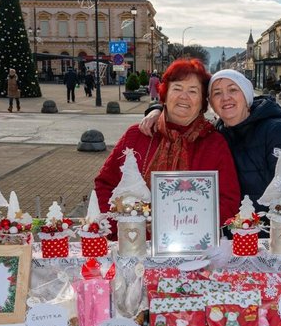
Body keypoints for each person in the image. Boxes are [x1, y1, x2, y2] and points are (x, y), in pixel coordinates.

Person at [95, 58, 241, 227]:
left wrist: (189, 227)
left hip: (192, 246)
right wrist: (121, 227)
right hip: (134, 242)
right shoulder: (137, 135)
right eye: (177, 88)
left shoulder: (214, 143)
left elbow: (229, 201)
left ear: (202, 101)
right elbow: (105, 183)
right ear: (164, 95)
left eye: (193, 91)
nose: (184, 96)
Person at [140, 69, 281, 212]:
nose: (225, 97)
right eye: (217, 93)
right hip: (232, 233)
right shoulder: (216, 132)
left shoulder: (274, 130)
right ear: (211, 103)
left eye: (233, 90)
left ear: (246, 96)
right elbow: (184, 117)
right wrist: (158, 110)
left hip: (268, 236)